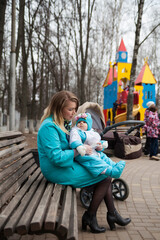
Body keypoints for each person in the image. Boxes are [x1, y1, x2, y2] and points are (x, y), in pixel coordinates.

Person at [37, 90, 131, 233]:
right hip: (56, 169)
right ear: (58, 107)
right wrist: (78, 151)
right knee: (105, 176)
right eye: (70, 109)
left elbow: (76, 141)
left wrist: (93, 147)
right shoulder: (49, 127)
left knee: (104, 173)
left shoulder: (62, 122)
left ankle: (110, 214)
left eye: (75, 109)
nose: (73, 113)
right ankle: (92, 216)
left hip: (67, 164)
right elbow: (56, 157)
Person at [70, 112, 126, 178]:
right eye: (79, 122)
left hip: (94, 152)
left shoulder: (92, 132)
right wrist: (79, 146)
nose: (81, 123)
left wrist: (100, 146)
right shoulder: (76, 131)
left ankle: (114, 166)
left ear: (89, 124)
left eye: (84, 122)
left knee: (104, 157)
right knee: (95, 162)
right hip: (83, 155)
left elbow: (96, 142)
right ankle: (110, 171)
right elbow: (74, 140)